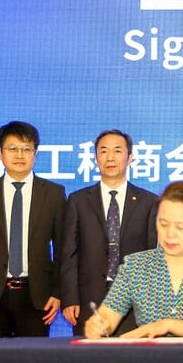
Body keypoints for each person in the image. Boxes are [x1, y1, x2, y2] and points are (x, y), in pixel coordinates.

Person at [86, 181, 183, 339]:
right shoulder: (136, 266)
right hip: (150, 354)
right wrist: (97, 325)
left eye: (180, 227)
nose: (170, 234)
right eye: (163, 224)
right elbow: (108, 315)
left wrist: (167, 325)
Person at [0, 120, 66, 340]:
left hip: (37, 296)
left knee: (33, 359)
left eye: (26, 149)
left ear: (36, 153)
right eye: (13, 148)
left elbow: (63, 248)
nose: (19, 155)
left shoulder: (53, 194)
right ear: (0, 152)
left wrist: (58, 292)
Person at [60, 129, 159, 336]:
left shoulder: (148, 201)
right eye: (104, 151)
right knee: (90, 355)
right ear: (96, 158)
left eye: (117, 151)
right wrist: (70, 298)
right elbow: (68, 254)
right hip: (89, 299)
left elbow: (153, 255)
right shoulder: (78, 200)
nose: (110, 157)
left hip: (134, 301)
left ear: (130, 157)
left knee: (130, 354)